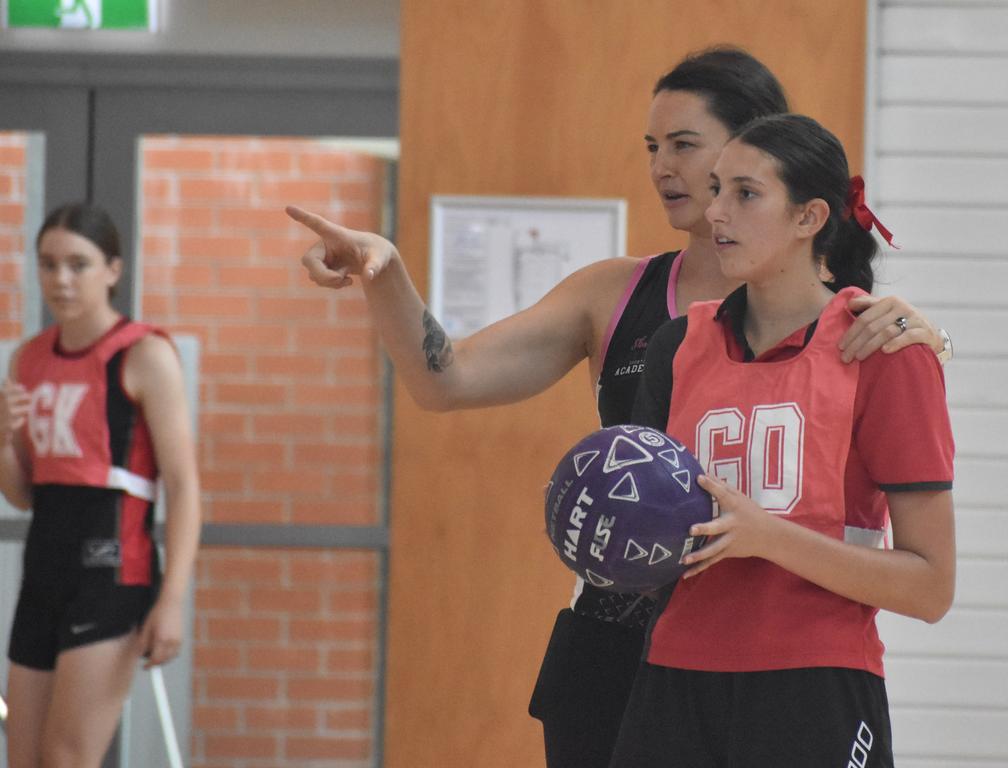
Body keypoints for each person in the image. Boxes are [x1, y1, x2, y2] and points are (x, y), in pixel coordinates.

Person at [285, 48, 951, 768]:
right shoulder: (633, 305)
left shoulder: (866, 332)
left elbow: (923, 567)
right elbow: (445, 379)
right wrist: (385, 272)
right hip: (625, 640)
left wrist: (928, 336)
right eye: (652, 148)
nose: (663, 167)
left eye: (685, 146)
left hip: (785, 661)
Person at [613, 113, 956, 767]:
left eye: (746, 193)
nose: (716, 211)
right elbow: (650, 535)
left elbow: (931, 586)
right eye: (716, 189)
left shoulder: (882, 349)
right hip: (674, 678)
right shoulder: (677, 345)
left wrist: (767, 538)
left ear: (810, 218)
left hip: (816, 686)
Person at [0, 203, 201, 768]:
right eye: (48, 264)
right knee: (23, 756)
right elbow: (25, 493)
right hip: (44, 571)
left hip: (114, 571)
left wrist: (173, 600)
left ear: (113, 269)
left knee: (66, 757)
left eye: (78, 264)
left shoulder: (144, 355)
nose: (61, 279)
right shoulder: (27, 360)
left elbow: (184, 485)